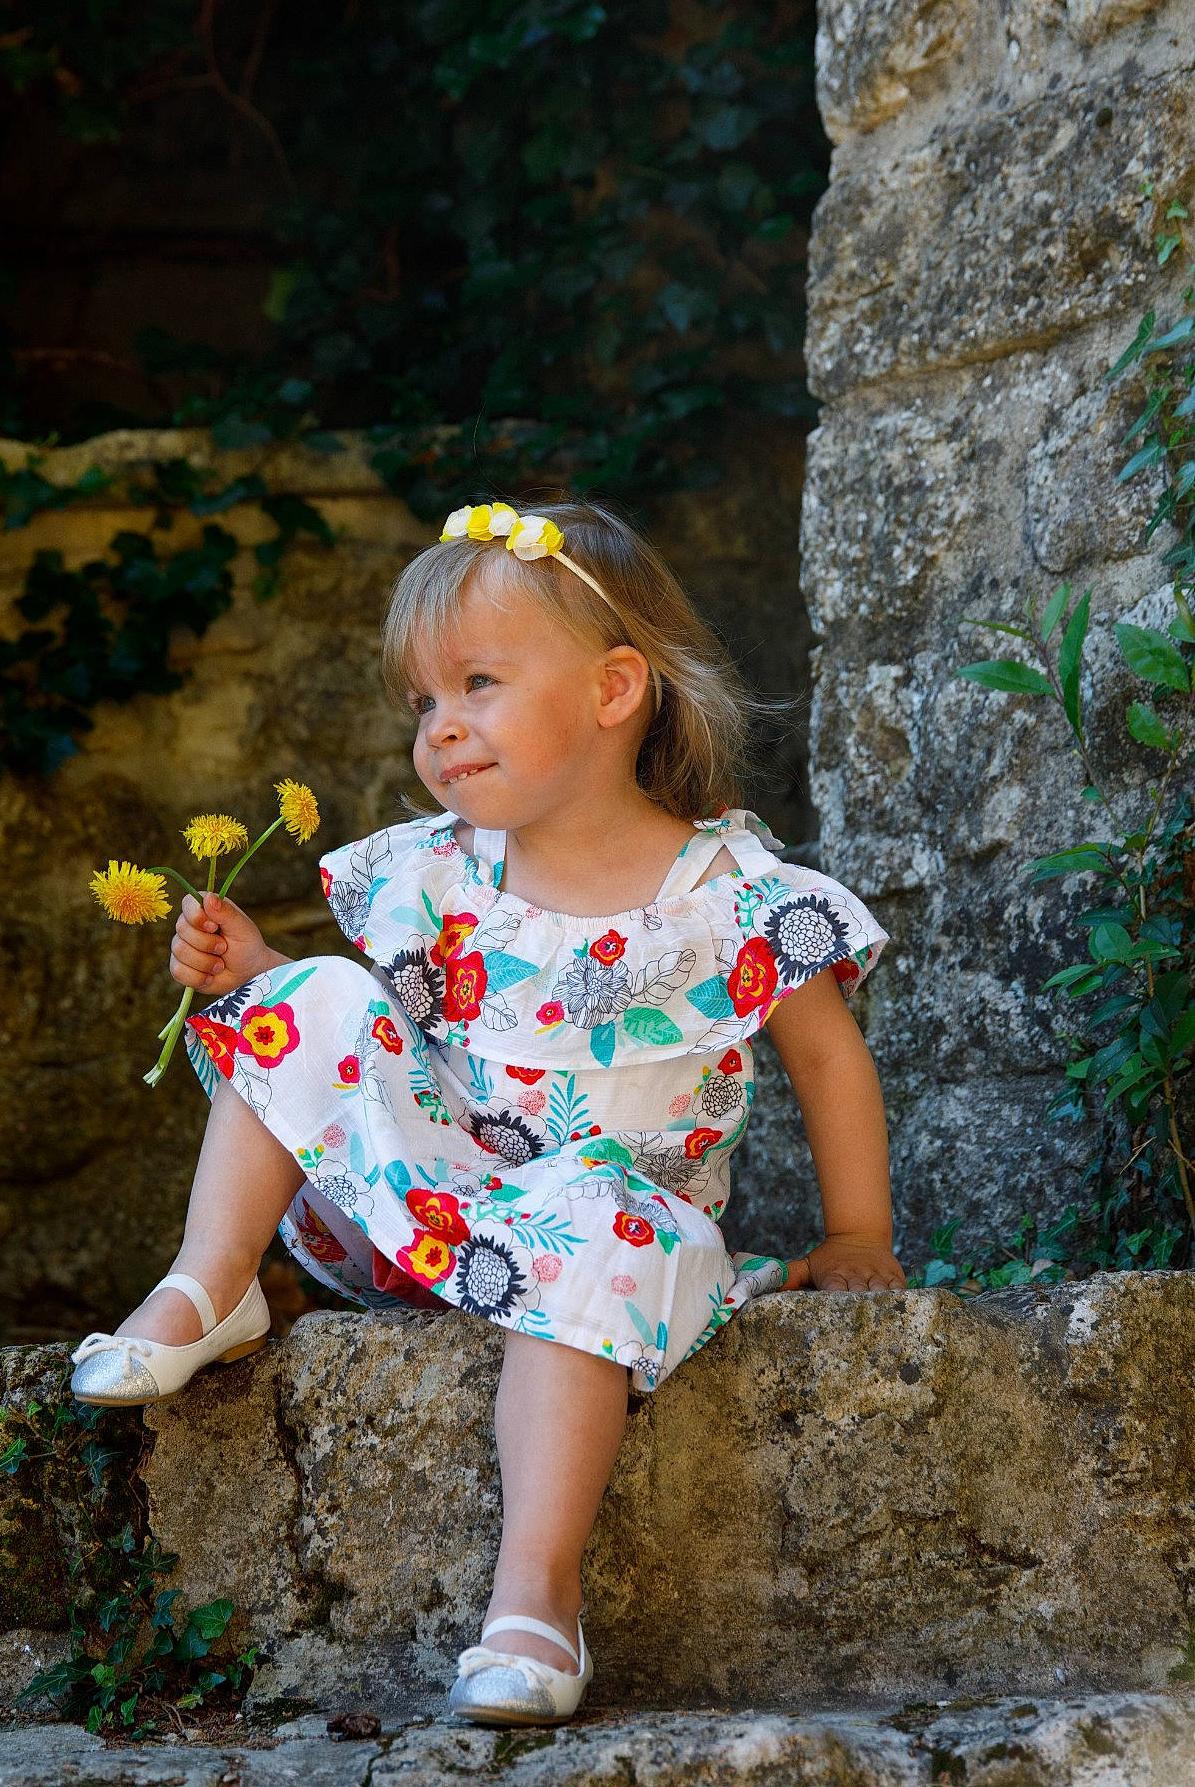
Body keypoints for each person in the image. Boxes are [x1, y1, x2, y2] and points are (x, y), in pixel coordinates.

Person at [69, 497, 904, 1726]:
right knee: (315, 989)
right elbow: (371, 1052)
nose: (440, 725)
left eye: (476, 683)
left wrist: (858, 1232)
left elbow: (830, 1060)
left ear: (614, 688)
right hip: (425, 1225)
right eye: (423, 700)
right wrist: (258, 974)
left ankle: (534, 1599)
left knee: (598, 1216)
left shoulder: (730, 892)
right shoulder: (439, 870)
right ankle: (212, 1280)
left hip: (603, 1250)